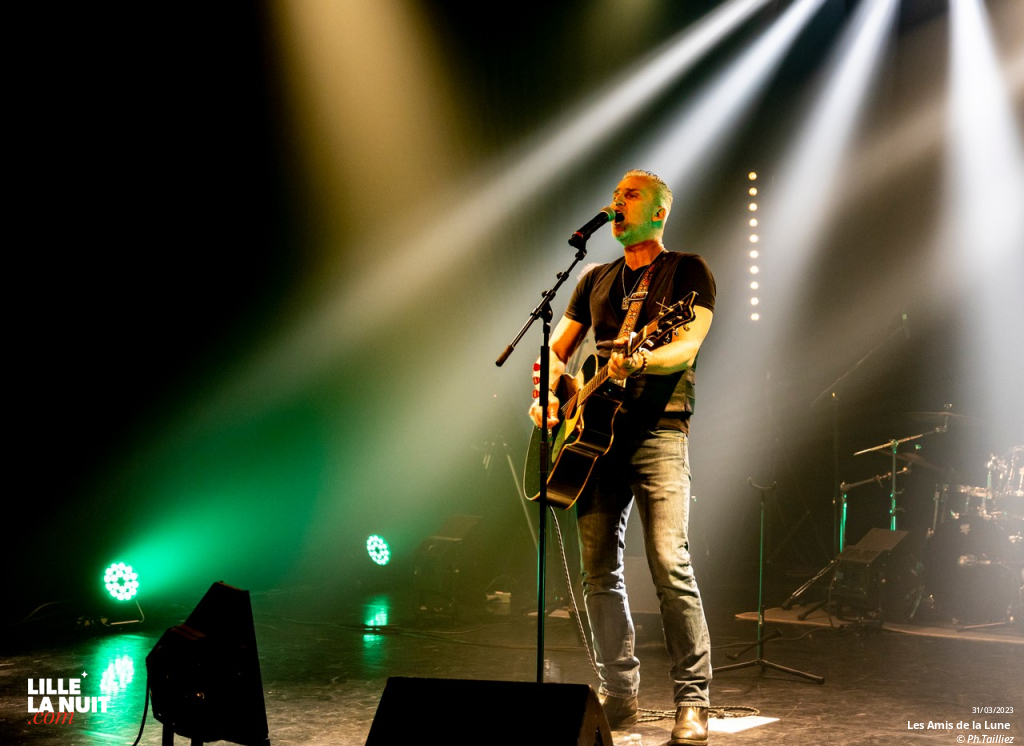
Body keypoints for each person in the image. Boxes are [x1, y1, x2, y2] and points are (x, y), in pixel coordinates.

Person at [529, 170, 715, 745]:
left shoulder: (686, 273)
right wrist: (549, 398)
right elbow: (557, 353)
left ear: (659, 212)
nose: (616, 203)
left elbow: (686, 344)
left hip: (659, 432)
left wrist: (639, 362)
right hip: (591, 441)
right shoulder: (593, 277)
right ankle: (620, 692)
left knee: (668, 561)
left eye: (629, 195)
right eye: (614, 196)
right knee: (599, 574)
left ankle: (692, 700)